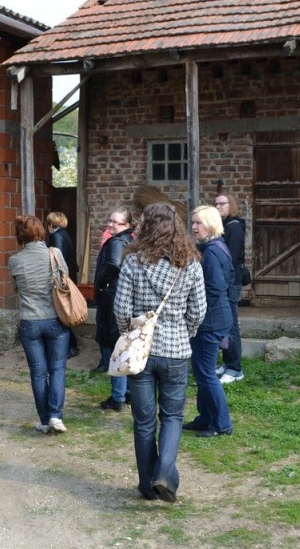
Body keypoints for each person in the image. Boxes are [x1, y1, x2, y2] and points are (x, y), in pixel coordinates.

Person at [114, 203, 206, 503]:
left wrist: (130, 335)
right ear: (176, 228)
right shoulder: (190, 263)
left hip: (140, 351)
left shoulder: (133, 262)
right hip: (176, 350)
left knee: (144, 422)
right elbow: (198, 311)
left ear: (146, 228)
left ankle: (147, 485)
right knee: (173, 416)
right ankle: (164, 473)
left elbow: (121, 309)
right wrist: (184, 333)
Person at [9, 215, 71, 434]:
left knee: (38, 373)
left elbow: (15, 288)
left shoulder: (14, 260)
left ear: (19, 235)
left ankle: (44, 421)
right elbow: (65, 280)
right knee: (57, 369)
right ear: (41, 232)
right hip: (55, 319)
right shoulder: (54, 254)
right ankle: (55, 416)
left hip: (29, 320)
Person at [186, 205, 234, 437]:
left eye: (199, 223)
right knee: (201, 372)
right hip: (213, 319)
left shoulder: (213, 251)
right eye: (193, 222)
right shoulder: (216, 246)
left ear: (211, 224)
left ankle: (221, 424)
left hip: (210, 321)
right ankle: (205, 418)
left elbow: (215, 288)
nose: (194, 227)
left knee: (206, 373)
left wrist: (194, 309)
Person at [94, 208, 137, 408]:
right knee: (123, 345)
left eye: (115, 222)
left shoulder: (117, 242)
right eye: (109, 220)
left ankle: (118, 396)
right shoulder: (128, 239)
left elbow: (113, 264)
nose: (110, 224)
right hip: (121, 296)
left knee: (115, 345)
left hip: (112, 297)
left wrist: (102, 282)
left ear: (126, 225)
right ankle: (126, 392)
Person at [215, 193, 246, 384]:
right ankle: (228, 363)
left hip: (231, 280)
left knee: (231, 323)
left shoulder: (233, 227)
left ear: (231, 205)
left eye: (222, 203)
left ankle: (235, 369)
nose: (218, 206)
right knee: (226, 323)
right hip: (227, 279)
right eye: (216, 204)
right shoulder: (225, 225)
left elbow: (231, 257)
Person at [46, 212, 80, 358]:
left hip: (60, 279)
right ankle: (71, 345)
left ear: (50, 224)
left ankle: (71, 346)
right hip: (67, 275)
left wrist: (56, 280)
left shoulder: (56, 236)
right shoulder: (65, 234)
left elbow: (57, 259)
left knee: (61, 313)